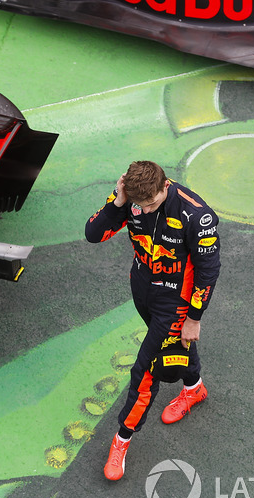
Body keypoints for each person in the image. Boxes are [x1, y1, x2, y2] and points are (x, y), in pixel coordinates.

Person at [84, 160, 221, 481]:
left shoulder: (197, 216)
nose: (144, 211)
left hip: (177, 300)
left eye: (151, 204)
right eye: (138, 205)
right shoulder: (131, 198)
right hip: (143, 287)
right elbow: (93, 234)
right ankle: (194, 388)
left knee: (145, 371)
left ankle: (121, 441)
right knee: (172, 346)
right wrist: (118, 202)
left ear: (164, 186)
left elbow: (209, 270)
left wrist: (193, 317)